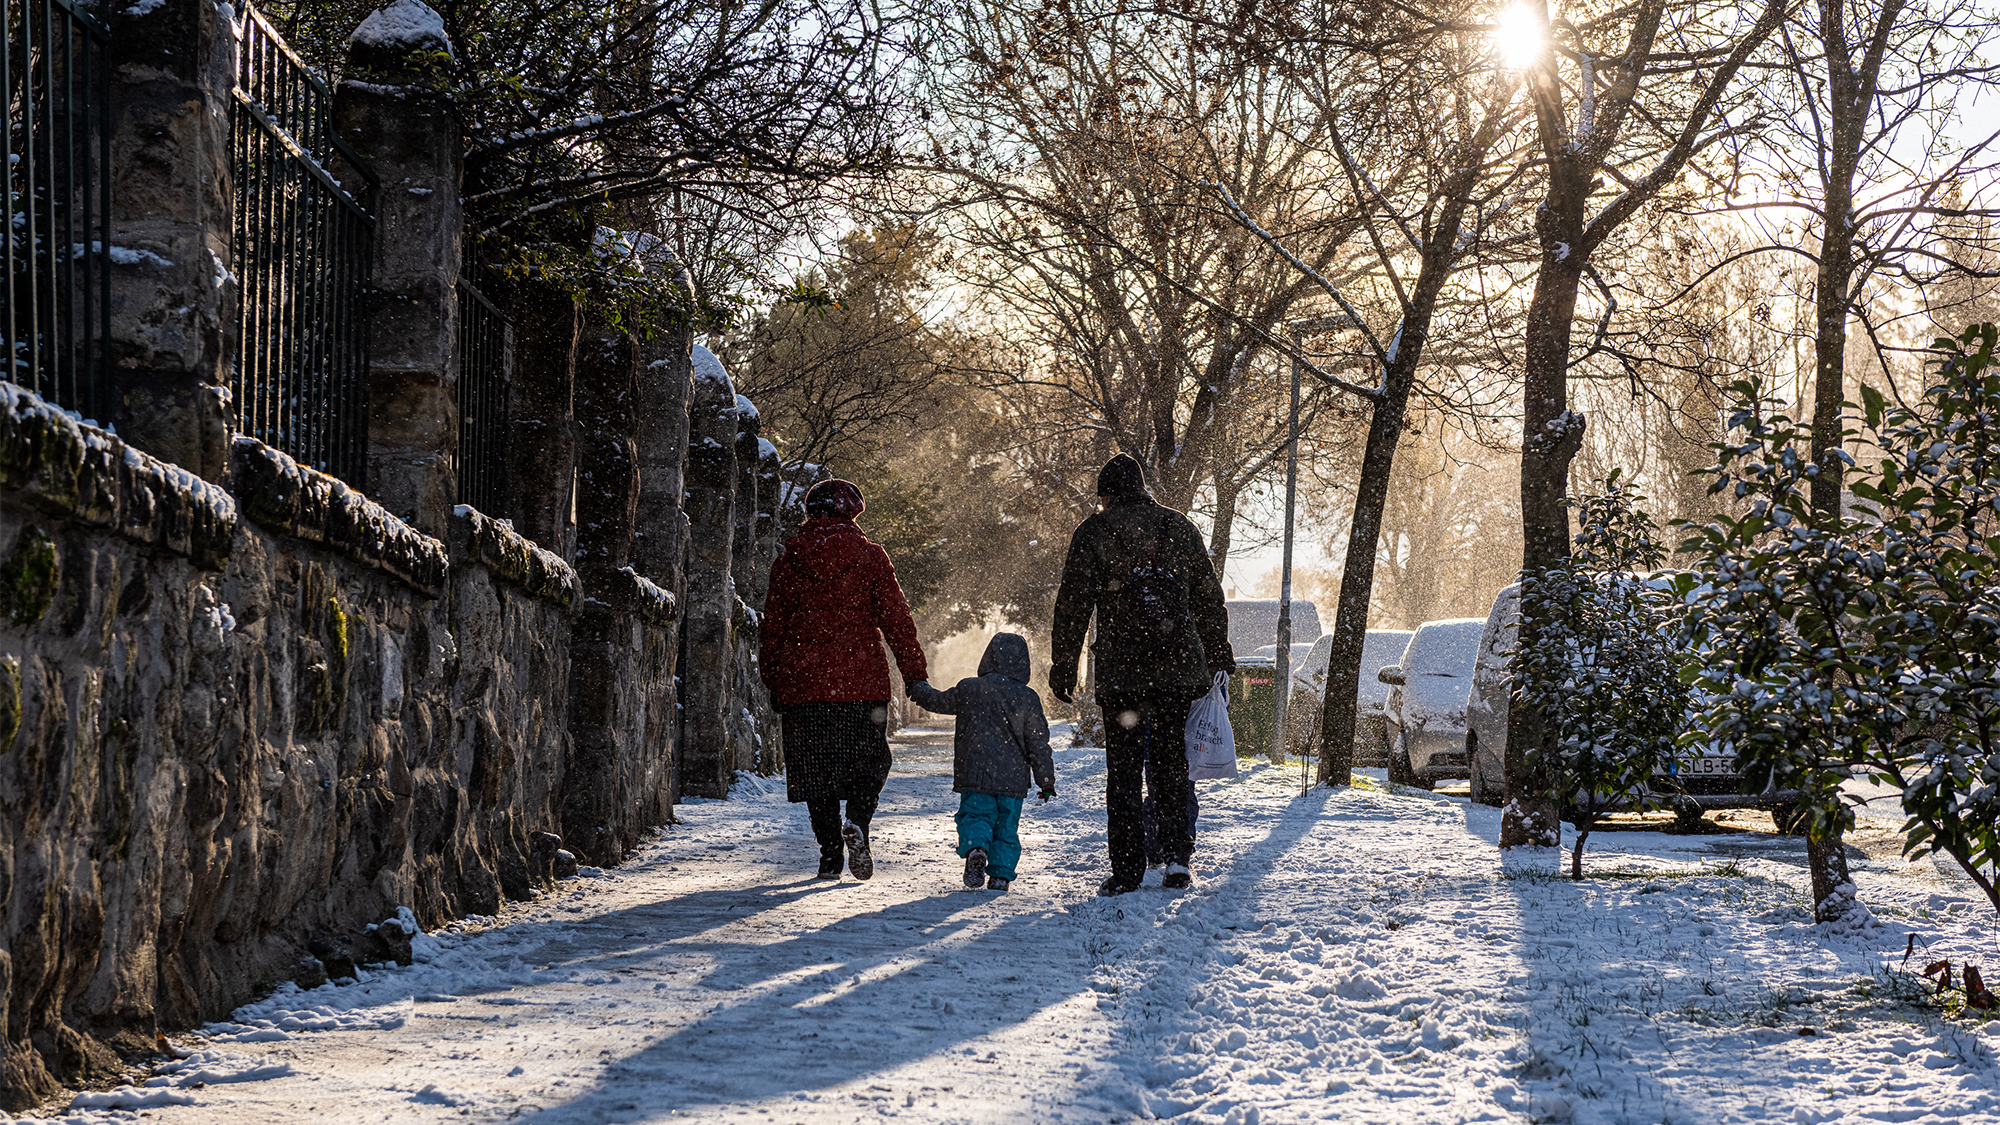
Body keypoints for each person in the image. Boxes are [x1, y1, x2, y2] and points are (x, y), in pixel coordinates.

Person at [1050, 453, 1233, 896]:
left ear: (1107, 495)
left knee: (1124, 773)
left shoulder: (1094, 532)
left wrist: (1064, 665)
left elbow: (1073, 604)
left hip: (1123, 675)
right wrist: (1217, 652)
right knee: (1172, 766)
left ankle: (1128, 868)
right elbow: (1208, 597)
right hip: (1175, 671)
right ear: (1143, 487)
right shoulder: (1179, 527)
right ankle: (1175, 857)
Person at [760, 479, 929, 881]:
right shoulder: (870, 557)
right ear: (853, 512)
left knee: (816, 772)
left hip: (804, 686)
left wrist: (774, 678)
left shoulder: (789, 560)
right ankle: (857, 820)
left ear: (810, 512)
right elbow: (897, 620)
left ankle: (830, 854)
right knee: (871, 763)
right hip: (861, 685)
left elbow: (773, 627)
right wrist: (914, 674)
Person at [907, 633, 1057, 893]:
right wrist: (1045, 780)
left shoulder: (970, 688)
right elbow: (1038, 744)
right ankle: (1000, 875)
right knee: (1006, 827)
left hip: (974, 773)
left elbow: (938, 701)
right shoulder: (1028, 698)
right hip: (1012, 779)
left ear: (989, 656)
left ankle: (977, 848)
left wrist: (918, 687)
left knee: (975, 815)